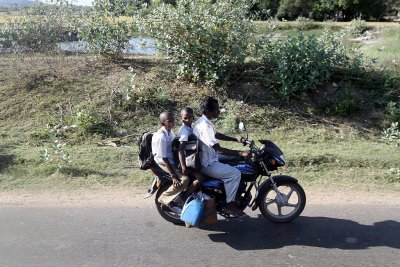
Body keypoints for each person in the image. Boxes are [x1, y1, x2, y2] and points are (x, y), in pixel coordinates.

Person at [193, 96, 249, 218]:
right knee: (234, 174)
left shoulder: (204, 122)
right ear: (208, 111)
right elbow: (218, 149)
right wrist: (240, 153)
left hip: (211, 158)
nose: (218, 111)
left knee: (235, 161)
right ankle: (229, 205)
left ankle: (228, 194)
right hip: (207, 164)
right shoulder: (204, 126)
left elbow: (216, 134)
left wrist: (235, 139)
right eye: (216, 109)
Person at [151, 111, 189, 207]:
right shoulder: (161, 137)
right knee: (184, 179)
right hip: (163, 163)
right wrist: (173, 176)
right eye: (169, 121)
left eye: (173, 120)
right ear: (163, 122)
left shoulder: (169, 132)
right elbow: (164, 158)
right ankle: (163, 198)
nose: (173, 122)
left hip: (171, 160)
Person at [177, 107, 204, 196]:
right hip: (186, 161)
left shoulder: (190, 128)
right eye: (185, 118)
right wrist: (184, 166)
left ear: (193, 117)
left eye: (190, 117)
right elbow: (180, 149)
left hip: (192, 158)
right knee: (200, 178)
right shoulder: (184, 130)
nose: (188, 120)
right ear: (181, 118)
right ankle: (185, 197)